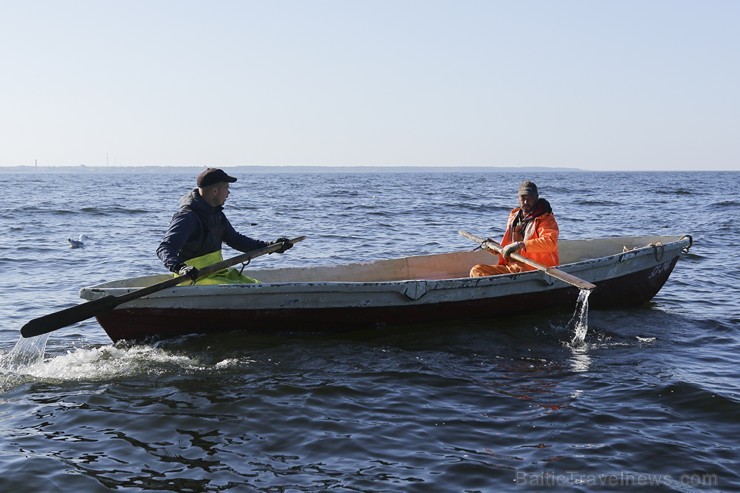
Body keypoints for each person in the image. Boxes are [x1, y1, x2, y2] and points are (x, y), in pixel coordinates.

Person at [157, 167, 293, 285]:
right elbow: (165, 248)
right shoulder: (187, 217)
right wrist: (181, 268)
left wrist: (271, 246)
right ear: (214, 191)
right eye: (226, 187)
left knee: (258, 285)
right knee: (247, 290)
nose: (229, 193)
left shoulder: (217, 214)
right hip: (194, 280)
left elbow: (236, 240)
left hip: (216, 274)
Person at [470, 180, 559, 277]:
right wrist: (494, 247)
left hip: (536, 269)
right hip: (512, 268)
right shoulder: (514, 217)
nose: (526, 202)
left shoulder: (546, 218)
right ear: (518, 198)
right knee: (477, 270)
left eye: (530, 198)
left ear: (537, 198)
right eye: (523, 198)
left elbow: (550, 243)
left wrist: (520, 245)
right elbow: (507, 248)